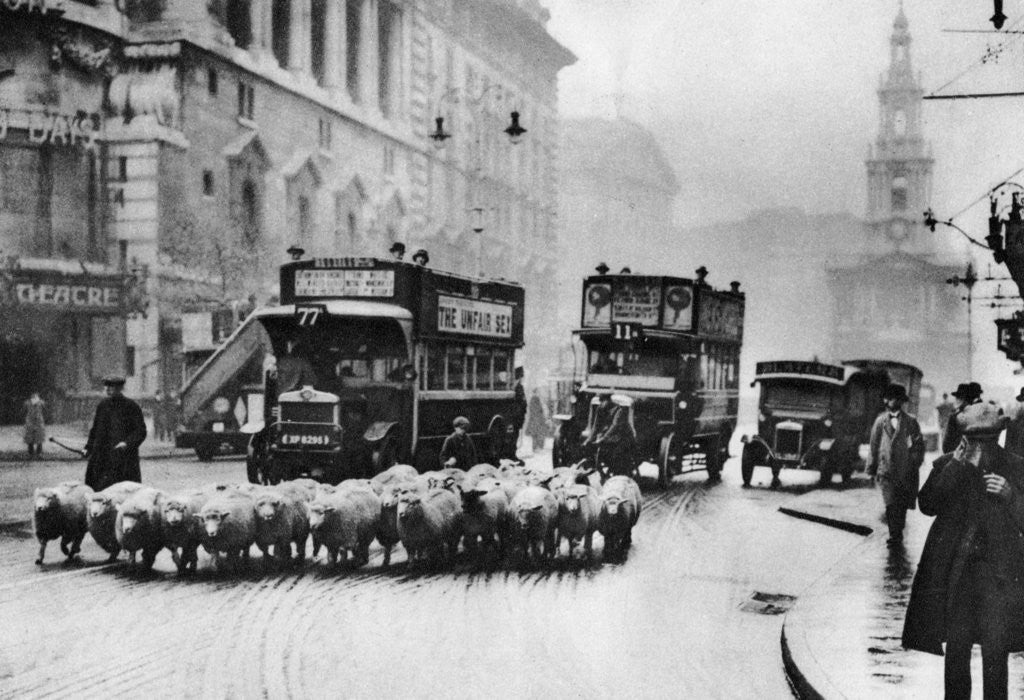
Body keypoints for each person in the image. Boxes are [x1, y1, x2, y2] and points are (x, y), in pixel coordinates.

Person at [902, 401, 1024, 700]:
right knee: (957, 649)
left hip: (998, 577)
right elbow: (927, 504)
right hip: (957, 577)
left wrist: (1011, 496)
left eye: (988, 440)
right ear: (965, 438)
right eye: (974, 440)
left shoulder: (1015, 467)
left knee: (996, 652)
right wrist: (956, 466)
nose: (981, 448)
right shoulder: (947, 464)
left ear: (998, 437)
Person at [867, 383, 925, 546]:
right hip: (885, 471)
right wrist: (872, 469)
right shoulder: (880, 422)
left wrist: (913, 463)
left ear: (901, 401)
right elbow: (874, 446)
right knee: (890, 503)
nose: (891, 401)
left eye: (895, 398)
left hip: (904, 472)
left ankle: (898, 531)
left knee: (901, 504)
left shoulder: (911, 422)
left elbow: (918, 446)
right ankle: (895, 534)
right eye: (889, 398)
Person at [84, 376, 147, 492]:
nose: (107, 389)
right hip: (102, 458)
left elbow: (141, 431)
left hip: (124, 459)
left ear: (120, 388)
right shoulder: (102, 406)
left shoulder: (131, 406)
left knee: (123, 493)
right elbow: (95, 430)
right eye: (106, 386)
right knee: (99, 493)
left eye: (111, 387)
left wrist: (127, 443)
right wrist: (88, 447)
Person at [943, 382, 983, 454]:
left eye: (958, 397)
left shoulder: (954, 417)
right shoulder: (980, 413)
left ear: (963, 399)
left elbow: (946, 446)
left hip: (958, 457)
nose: (957, 400)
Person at [22, 392, 45, 459]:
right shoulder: (27, 403)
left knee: (39, 437)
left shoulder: (41, 403)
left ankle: (38, 453)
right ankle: (31, 453)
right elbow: (24, 410)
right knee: (30, 438)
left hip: (38, 421)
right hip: (31, 421)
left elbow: (44, 409)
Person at [1003, 387, 1024, 458]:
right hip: (1015, 426)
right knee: (1013, 447)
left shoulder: (1011, 402)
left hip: (1015, 426)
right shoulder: (1013, 403)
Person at [511, 367, 527, 447]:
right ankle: (513, 450)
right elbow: (522, 401)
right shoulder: (519, 387)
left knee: (514, 433)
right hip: (518, 414)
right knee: (515, 433)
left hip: (515, 413)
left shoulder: (512, 385)